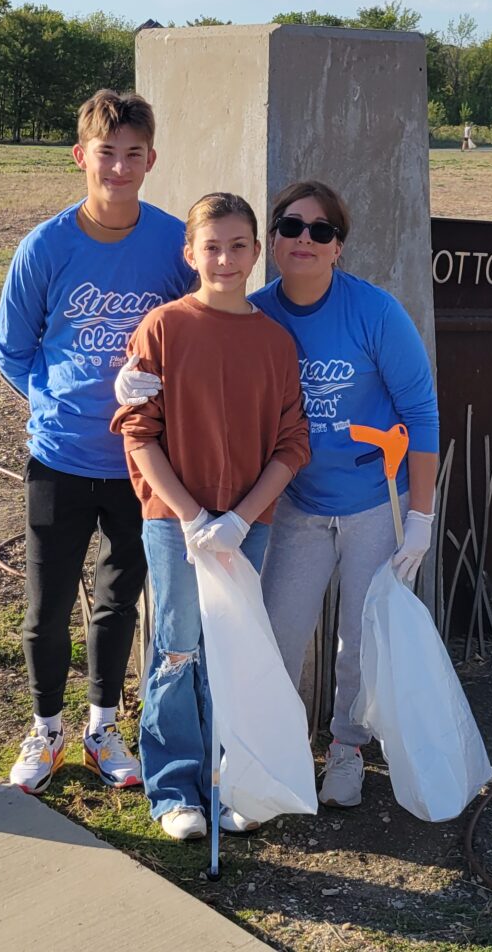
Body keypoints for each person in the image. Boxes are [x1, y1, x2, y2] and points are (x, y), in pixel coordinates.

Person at [117, 180, 439, 809]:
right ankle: (268, 756)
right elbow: (190, 378)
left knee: (360, 637)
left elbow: (420, 413)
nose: (305, 240)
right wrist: (128, 380)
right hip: (294, 509)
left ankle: (346, 748)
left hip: (374, 502)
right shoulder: (258, 314)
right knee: (273, 642)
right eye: (292, 226)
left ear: (338, 245)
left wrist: (422, 515)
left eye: (321, 231)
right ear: (275, 239)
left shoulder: (373, 313)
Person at [0, 89, 194, 795]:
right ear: (81, 157)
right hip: (60, 459)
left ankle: (102, 726)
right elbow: (11, 351)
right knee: (47, 605)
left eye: (133, 154)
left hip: (141, 463)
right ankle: (46, 728)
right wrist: (55, 407)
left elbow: (197, 329)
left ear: (151, 160)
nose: (119, 167)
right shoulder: (46, 247)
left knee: (119, 599)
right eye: (106, 154)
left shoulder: (174, 245)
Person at [111, 192, 309, 841]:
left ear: (256, 253)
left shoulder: (275, 342)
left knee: (237, 648)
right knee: (178, 648)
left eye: (237, 246)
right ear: (190, 253)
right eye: (211, 246)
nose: (224, 259)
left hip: (247, 525)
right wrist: (193, 515)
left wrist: (241, 519)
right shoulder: (163, 328)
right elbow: (139, 432)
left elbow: (290, 444)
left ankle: (235, 777)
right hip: (175, 524)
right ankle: (175, 788)